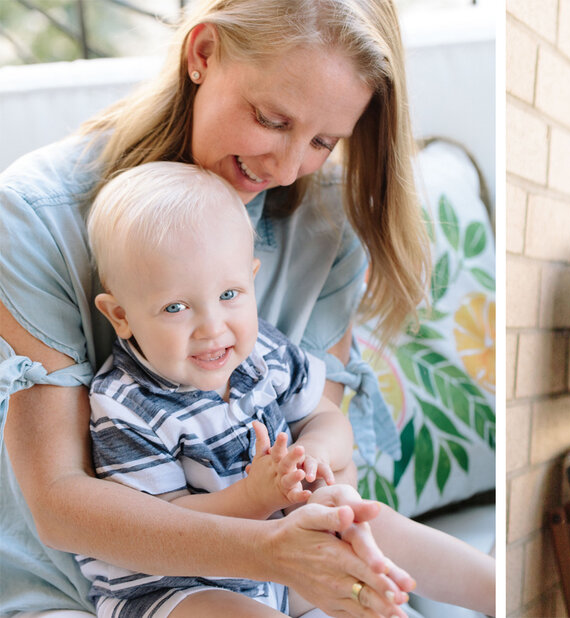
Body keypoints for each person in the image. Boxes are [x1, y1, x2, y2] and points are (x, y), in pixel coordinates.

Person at [0, 1, 458, 616]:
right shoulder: (32, 216)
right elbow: (58, 504)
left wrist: (319, 500)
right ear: (203, 55)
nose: (289, 166)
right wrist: (272, 548)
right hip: (75, 590)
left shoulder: (327, 230)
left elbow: (319, 435)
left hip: (277, 575)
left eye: (323, 140)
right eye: (272, 119)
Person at [75, 162, 494, 618]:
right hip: (177, 587)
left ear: (251, 278)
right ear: (120, 316)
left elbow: (326, 417)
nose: (213, 328)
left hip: (281, 561)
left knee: (365, 519)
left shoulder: (263, 353)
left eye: (230, 294)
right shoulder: (124, 405)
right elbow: (169, 527)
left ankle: (496, 592)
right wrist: (255, 498)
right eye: (176, 307)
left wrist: (313, 452)